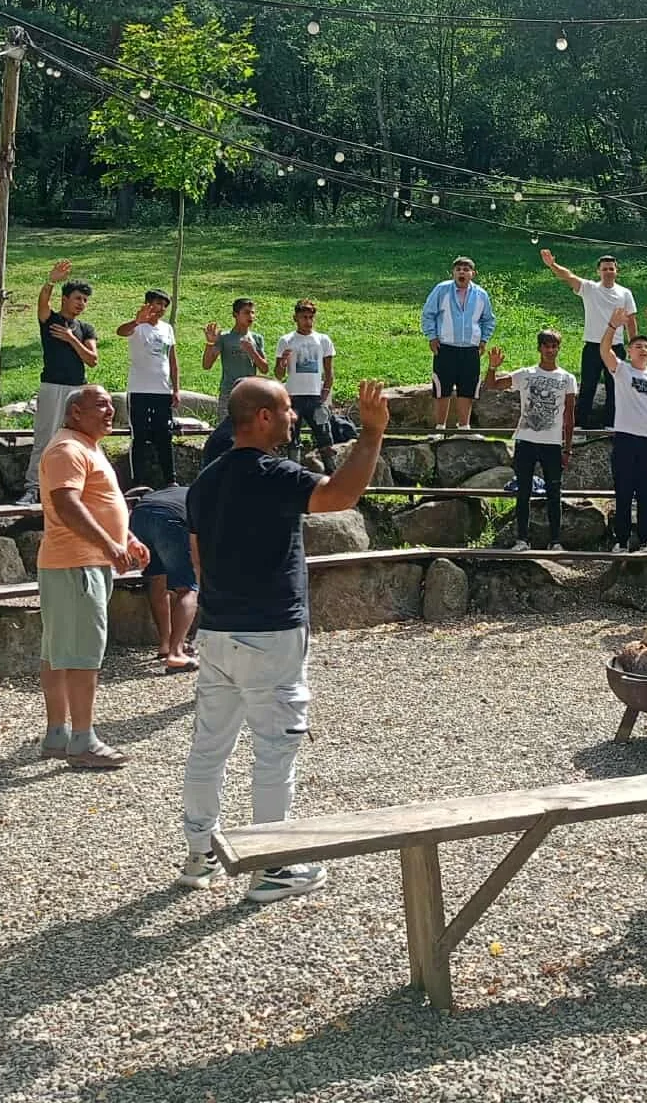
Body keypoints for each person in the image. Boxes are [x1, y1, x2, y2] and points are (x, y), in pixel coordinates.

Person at [176, 375, 390, 902]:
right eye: (288, 408)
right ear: (264, 417)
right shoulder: (274, 474)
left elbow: (198, 559)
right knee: (274, 749)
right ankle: (273, 868)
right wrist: (371, 434)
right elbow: (341, 495)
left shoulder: (205, 481)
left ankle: (198, 853)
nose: (295, 416)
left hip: (218, 631)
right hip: (270, 631)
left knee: (210, 747)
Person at [37, 384, 149, 769]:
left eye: (110, 405)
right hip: (77, 563)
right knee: (81, 654)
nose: (109, 411)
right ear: (74, 414)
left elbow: (97, 503)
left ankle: (58, 735)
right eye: (99, 405)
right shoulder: (68, 449)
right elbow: (66, 505)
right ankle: (82, 740)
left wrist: (127, 538)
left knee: (59, 651)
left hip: (78, 561)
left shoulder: (86, 447)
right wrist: (109, 546)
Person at [483, 332, 577, 550]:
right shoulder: (526, 374)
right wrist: (492, 367)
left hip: (552, 444)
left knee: (554, 492)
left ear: (558, 349)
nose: (550, 350)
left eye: (554, 346)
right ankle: (522, 539)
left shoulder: (567, 378)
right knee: (523, 490)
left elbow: (569, 416)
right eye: (546, 346)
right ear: (539, 348)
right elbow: (493, 385)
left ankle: (555, 541)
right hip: (526, 440)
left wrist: (568, 448)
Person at [24, 259, 98, 504]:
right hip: (52, 386)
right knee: (44, 438)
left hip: (77, 390)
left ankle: (74, 489)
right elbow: (42, 304)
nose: (82, 304)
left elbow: (92, 359)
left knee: (75, 441)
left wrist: (70, 338)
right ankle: (32, 489)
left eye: (85, 300)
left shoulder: (85, 329)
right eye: (78, 298)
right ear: (65, 298)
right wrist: (50, 281)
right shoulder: (50, 320)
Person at [541, 249, 636, 430]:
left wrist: (634, 345)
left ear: (617, 271)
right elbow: (568, 276)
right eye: (604, 269)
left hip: (615, 347)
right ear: (598, 271)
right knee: (588, 386)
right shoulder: (590, 288)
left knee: (615, 387)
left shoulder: (625, 293)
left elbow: (631, 321)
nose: (608, 272)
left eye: (611, 269)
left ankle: (611, 424)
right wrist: (552, 265)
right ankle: (580, 425)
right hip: (593, 346)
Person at [599, 318, 647, 552]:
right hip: (625, 438)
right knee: (623, 491)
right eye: (637, 346)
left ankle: (646, 539)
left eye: (646, 346)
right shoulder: (622, 370)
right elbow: (604, 350)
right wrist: (613, 326)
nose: (643, 349)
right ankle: (621, 540)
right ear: (629, 351)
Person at [421, 256, 495, 438]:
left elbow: (488, 319)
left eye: (466, 269)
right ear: (453, 273)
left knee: (467, 388)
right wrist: (432, 336)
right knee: (442, 387)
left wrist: (483, 340)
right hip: (445, 346)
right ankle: (440, 429)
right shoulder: (442, 290)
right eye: (458, 269)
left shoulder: (481, 294)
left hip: (470, 349)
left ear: (473, 274)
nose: (462, 272)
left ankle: (464, 429)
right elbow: (428, 314)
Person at [130, 484, 198, 673]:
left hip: (139, 517)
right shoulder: (202, 493)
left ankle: (165, 644)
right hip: (170, 520)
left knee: (157, 579)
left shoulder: (170, 492)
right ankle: (176, 653)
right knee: (188, 588)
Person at [116, 289, 179, 489]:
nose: (160, 309)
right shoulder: (137, 326)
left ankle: (170, 480)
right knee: (140, 436)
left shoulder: (167, 329)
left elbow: (172, 360)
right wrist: (137, 321)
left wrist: (176, 388)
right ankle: (139, 482)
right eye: (157, 304)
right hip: (139, 390)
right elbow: (120, 331)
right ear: (147, 304)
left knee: (164, 435)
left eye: (164, 306)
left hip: (162, 390)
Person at [273, 300, 338, 468]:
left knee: (324, 436)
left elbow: (329, 371)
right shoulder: (286, 340)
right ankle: (294, 473)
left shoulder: (323, 340)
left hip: (315, 396)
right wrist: (283, 363)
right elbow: (278, 375)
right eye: (304, 317)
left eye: (311, 317)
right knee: (292, 438)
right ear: (295, 318)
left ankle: (332, 473)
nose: (308, 322)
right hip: (293, 396)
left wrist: (325, 392)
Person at [202, 298, 268, 406]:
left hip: (250, 393)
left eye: (253, 313)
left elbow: (264, 369)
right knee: (225, 423)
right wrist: (210, 343)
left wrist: (252, 351)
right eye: (246, 312)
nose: (251, 316)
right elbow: (206, 365)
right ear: (235, 315)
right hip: (229, 392)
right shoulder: (224, 337)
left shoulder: (257, 338)